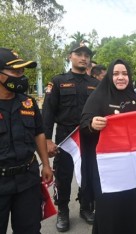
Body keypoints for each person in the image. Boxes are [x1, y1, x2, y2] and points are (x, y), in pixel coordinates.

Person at [80, 59, 136, 234]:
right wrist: (92, 124)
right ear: (110, 76)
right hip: (105, 168)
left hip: (129, 168)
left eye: (124, 74)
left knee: (128, 208)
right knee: (107, 210)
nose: (120, 78)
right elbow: (83, 124)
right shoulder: (98, 96)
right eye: (116, 74)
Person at [42, 42, 99, 232]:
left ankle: (85, 206)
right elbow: (48, 112)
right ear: (70, 56)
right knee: (63, 175)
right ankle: (63, 211)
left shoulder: (95, 84)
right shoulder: (58, 81)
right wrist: (48, 140)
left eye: (87, 55)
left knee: (88, 173)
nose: (84, 57)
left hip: (89, 136)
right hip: (66, 136)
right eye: (79, 54)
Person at [0, 48, 53, 233]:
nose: (21, 76)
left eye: (22, 71)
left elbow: (39, 133)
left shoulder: (28, 103)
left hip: (27, 180)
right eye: (15, 72)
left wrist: (46, 164)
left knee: (29, 229)